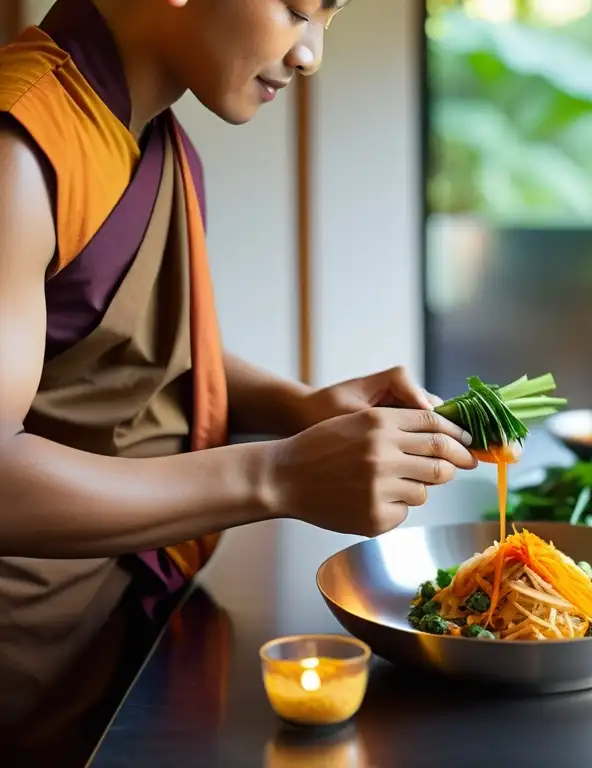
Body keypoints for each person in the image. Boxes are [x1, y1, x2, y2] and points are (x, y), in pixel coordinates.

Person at [0, 0, 477, 758]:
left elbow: (126, 351)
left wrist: (300, 409)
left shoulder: (156, 136)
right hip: (25, 661)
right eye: (299, 10)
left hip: (125, 638)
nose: (311, 54)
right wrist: (276, 475)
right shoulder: (20, 150)